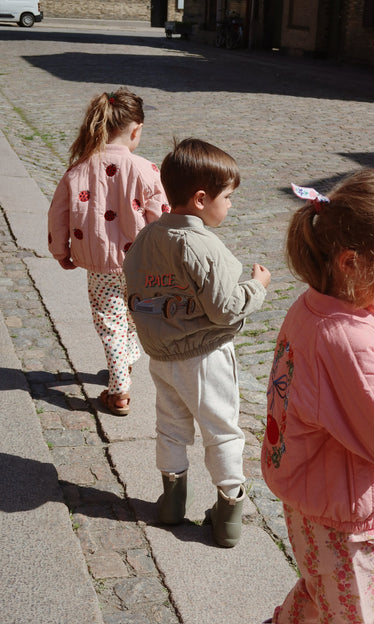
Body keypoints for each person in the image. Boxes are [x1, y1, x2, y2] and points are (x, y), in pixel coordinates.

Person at [261, 168, 374, 624]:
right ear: (352, 262)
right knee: (348, 613)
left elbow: (345, 386)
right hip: (346, 521)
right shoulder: (349, 336)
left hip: (318, 495)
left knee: (322, 591)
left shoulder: (323, 307)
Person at [123, 137, 271, 547]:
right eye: (229, 196)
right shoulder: (203, 244)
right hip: (204, 356)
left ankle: (172, 504)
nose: (231, 204)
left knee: (170, 427)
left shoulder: (147, 237)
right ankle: (228, 517)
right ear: (202, 198)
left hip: (161, 356)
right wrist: (256, 287)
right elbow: (225, 308)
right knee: (221, 430)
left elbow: (132, 288)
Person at [48, 87, 169, 416]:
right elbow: (162, 217)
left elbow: (58, 215)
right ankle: (123, 373)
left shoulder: (78, 169)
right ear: (136, 129)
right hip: (141, 265)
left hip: (100, 266)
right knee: (132, 319)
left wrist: (61, 251)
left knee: (110, 323)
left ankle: (119, 388)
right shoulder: (147, 170)